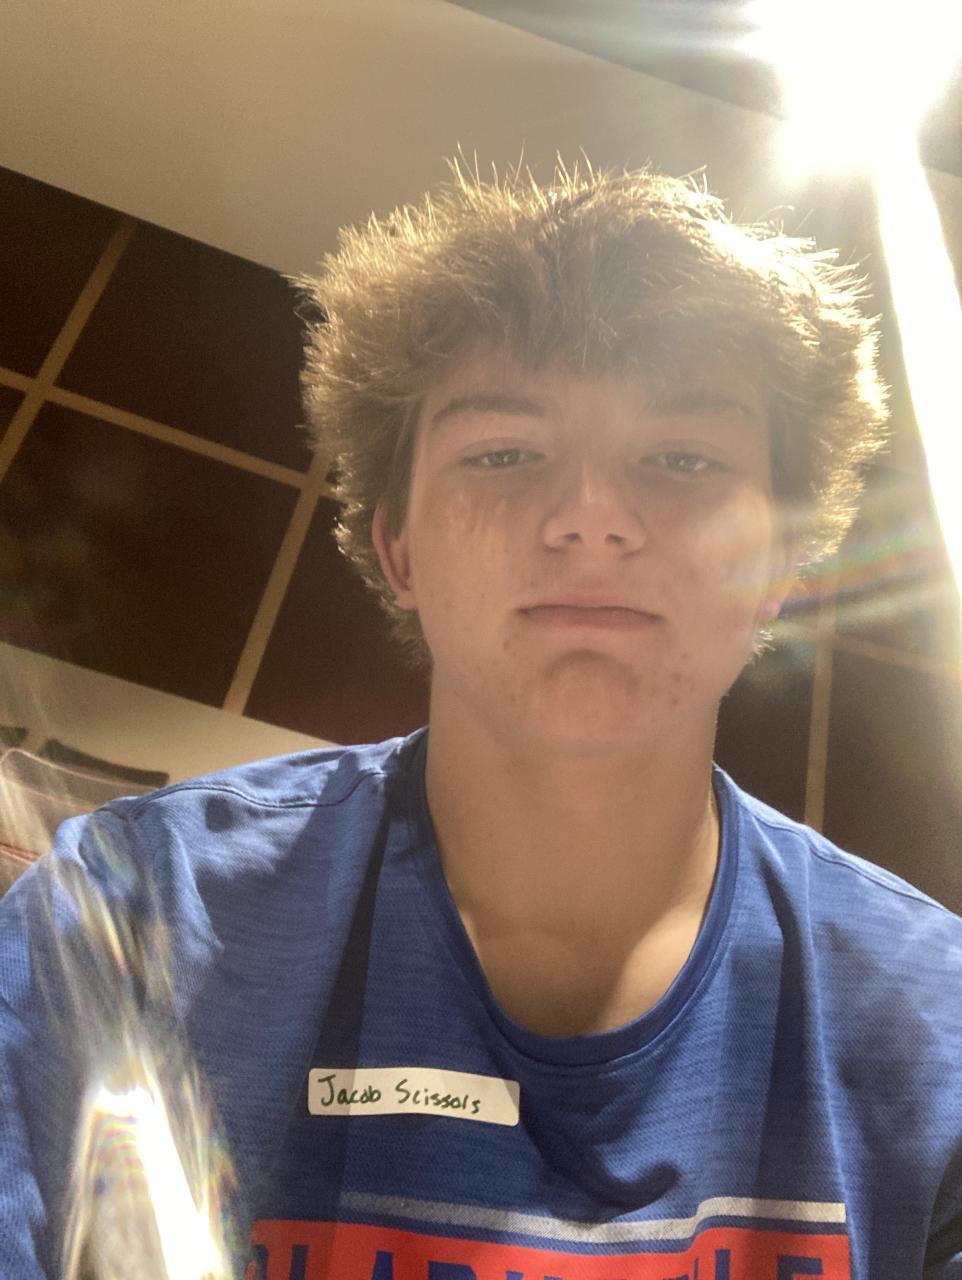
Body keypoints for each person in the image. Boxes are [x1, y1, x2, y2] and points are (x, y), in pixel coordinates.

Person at [2, 162, 960, 1279]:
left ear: (781, 564)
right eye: (504, 453)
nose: (591, 519)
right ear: (398, 545)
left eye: (683, 458)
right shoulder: (130, 918)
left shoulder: (932, 1020)